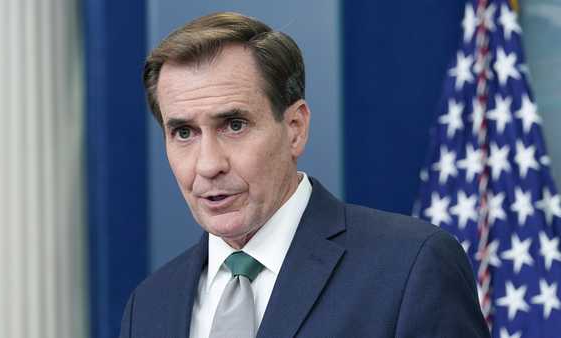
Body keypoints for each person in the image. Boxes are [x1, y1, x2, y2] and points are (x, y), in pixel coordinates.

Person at [119, 12, 490, 338]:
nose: (207, 165)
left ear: (295, 128)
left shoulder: (411, 267)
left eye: (234, 125)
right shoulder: (149, 306)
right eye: (184, 133)